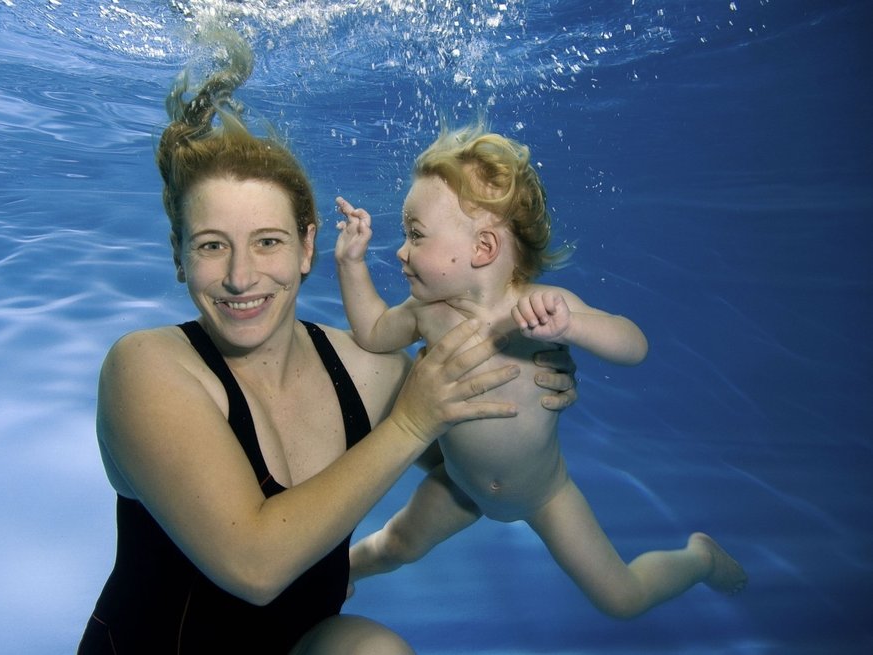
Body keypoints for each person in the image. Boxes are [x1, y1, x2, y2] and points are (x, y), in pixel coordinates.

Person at [78, 32, 579, 655]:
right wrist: (410, 423)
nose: (240, 276)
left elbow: (481, 474)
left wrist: (526, 374)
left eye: (268, 241)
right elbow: (255, 566)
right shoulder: (145, 369)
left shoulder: (369, 373)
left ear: (308, 247)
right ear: (179, 257)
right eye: (211, 245)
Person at [335, 123, 748, 620]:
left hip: (543, 492)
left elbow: (634, 345)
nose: (401, 251)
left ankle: (699, 558)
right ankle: (336, 576)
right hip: (460, 487)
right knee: (394, 547)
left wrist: (575, 327)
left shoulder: (539, 309)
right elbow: (374, 333)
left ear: (483, 249)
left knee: (622, 599)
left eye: (415, 235)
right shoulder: (430, 311)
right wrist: (350, 264)